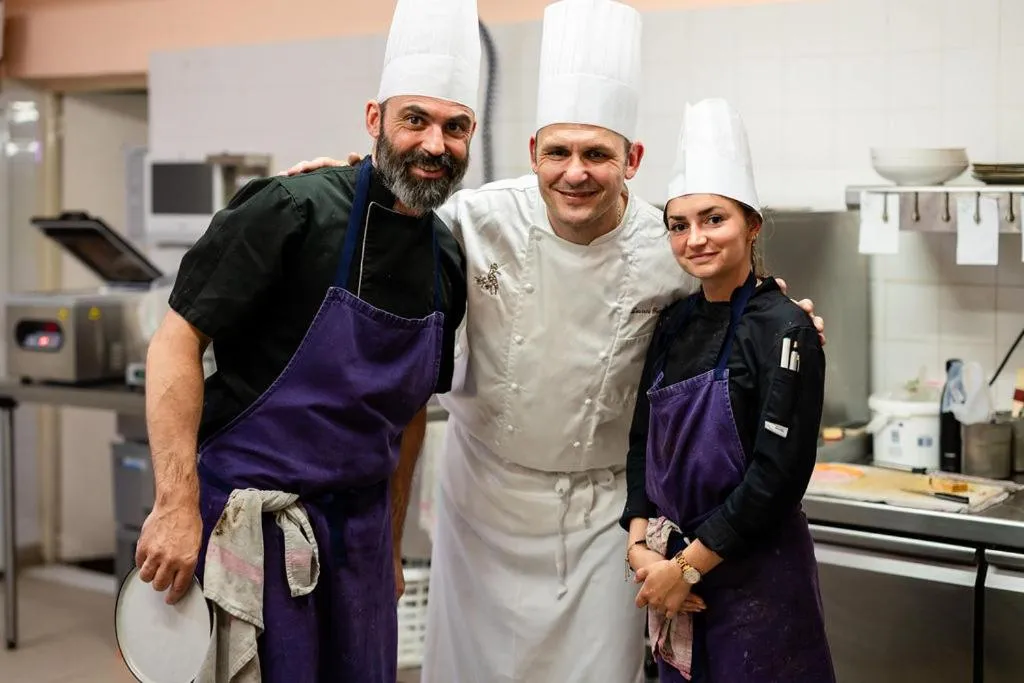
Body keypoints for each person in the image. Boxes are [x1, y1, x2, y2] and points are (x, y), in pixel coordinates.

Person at [282, 2, 824, 680]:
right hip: (481, 506)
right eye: (559, 151)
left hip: (604, 521)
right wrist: (335, 183)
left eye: (597, 153)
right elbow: (384, 211)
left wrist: (783, 314)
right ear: (532, 150)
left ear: (632, 158)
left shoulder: (667, 245)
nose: (576, 172)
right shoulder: (471, 220)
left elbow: (736, 299)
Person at [133, 0, 479, 680]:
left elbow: (407, 416)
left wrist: (390, 540)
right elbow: (175, 340)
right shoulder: (291, 210)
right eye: (416, 119)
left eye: (455, 126)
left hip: (361, 536)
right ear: (375, 120)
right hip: (251, 528)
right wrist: (173, 505)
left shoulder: (445, 260)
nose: (435, 143)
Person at [622, 98, 836, 683]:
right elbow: (643, 440)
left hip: (755, 582)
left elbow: (777, 476)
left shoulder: (786, 327)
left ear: (752, 225)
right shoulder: (674, 322)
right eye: (679, 224)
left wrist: (686, 568)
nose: (695, 239)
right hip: (671, 578)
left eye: (713, 219)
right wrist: (640, 547)